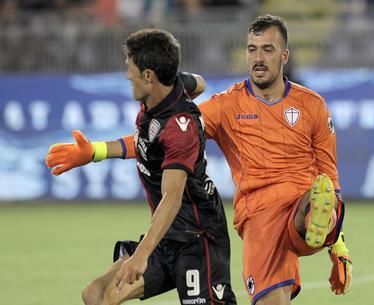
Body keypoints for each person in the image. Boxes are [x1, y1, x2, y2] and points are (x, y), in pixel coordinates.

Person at [47, 15, 353, 305]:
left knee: (317, 197)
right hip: (259, 216)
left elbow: (330, 177)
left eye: (268, 50)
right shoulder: (227, 106)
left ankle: (316, 225)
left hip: (291, 205)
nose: (258, 58)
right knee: (98, 295)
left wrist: (338, 247)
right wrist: (96, 151)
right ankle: (316, 223)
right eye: (252, 50)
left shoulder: (313, 106)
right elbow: (169, 130)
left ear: (284, 56)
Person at [46, 28, 237, 305]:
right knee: (97, 295)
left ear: (149, 76)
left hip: (198, 240)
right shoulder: (164, 92)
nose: (127, 75)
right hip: (167, 234)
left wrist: (141, 254)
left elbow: (172, 199)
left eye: (130, 69)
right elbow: (199, 83)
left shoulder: (179, 129)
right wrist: (94, 152)